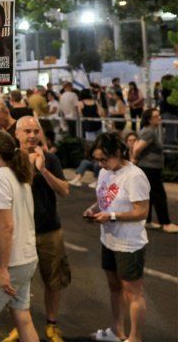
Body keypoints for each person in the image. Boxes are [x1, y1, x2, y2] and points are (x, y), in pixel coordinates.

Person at [9, 117, 70, 342]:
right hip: (19, 233)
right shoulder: (9, 160)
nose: (32, 135)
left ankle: (51, 325)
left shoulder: (50, 159)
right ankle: (20, 326)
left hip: (49, 231)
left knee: (53, 281)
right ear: (17, 134)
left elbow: (64, 190)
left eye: (36, 131)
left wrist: (43, 170)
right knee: (18, 283)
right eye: (27, 131)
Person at [84, 133, 149, 342]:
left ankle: (135, 338)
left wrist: (111, 216)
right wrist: (93, 209)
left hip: (129, 243)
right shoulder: (105, 172)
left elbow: (142, 212)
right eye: (97, 160)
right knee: (114, 287)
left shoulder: (135, 176)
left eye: (104, 159)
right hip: (108, 239)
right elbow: (105, 198)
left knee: (133, 293)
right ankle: (117, 331)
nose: (100, 164)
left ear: (118, 152)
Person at [0, 130, 39, 342]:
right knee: (22, 317)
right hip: (26, 258)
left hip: (10, 263)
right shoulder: (19, 176)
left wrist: (2, 268)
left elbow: (7, 226)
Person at [132, 108, 178, 233]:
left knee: (150, 196)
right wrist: (135, 159)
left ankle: (147, 221)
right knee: (159, 195)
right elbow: (136, 149)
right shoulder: (149, 132)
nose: (159, 118)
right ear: (149, 119)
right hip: (150, 169)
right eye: (156, 116)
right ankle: (166, 223)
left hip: (150, 168)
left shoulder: (148, 131)